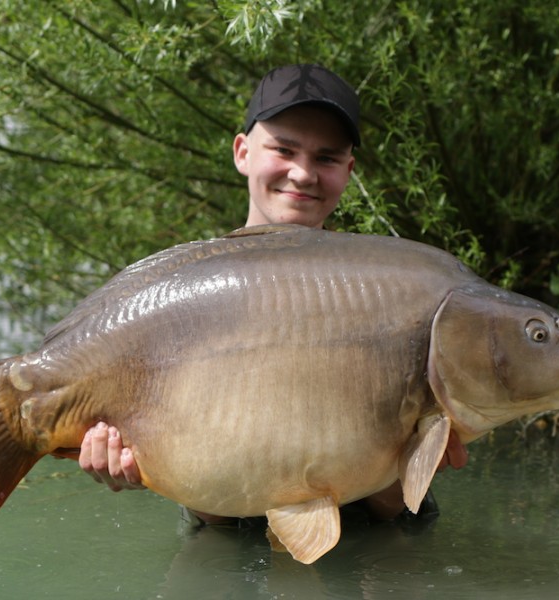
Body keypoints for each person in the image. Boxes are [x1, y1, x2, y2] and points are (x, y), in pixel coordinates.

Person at [77, 64, 468, 525]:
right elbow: (214, 522)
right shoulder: (186, 296)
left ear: (348, 170)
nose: (302, 174)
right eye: (284, 150)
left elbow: (397, 519)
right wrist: (143, 467)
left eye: (325, 158)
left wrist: (412, 459)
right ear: (243, 152)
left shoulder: (386, 293)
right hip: (225, 548)